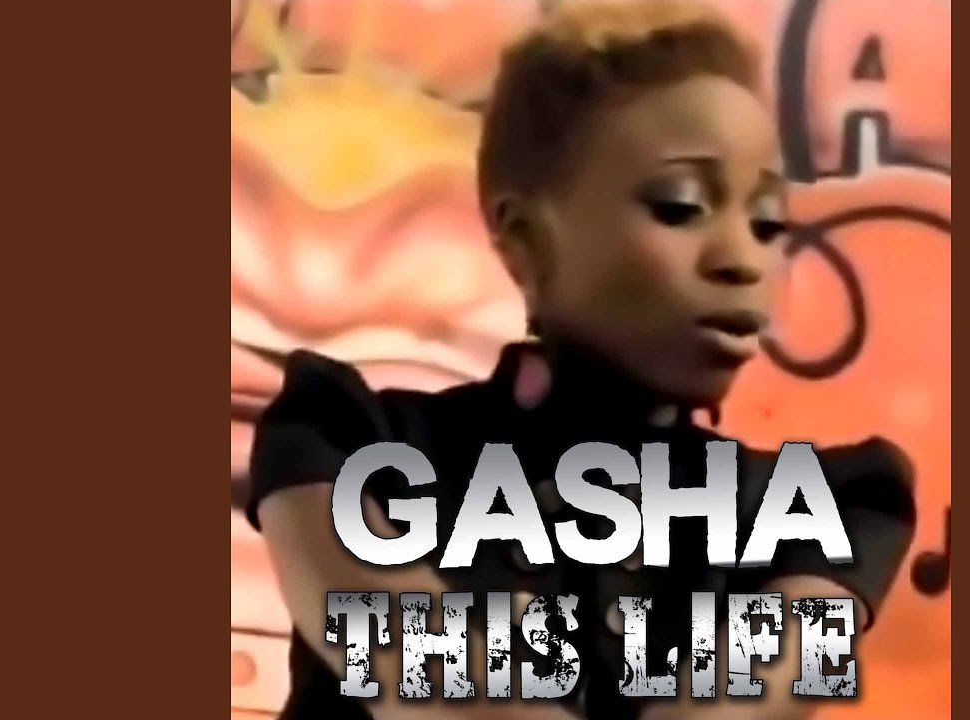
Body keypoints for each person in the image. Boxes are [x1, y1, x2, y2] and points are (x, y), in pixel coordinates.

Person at [245, 2, 916, 719]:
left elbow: (748, 699)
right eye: (680, 204)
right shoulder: (345, 443)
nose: (741, 260)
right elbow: (419, 674)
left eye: (767, 222)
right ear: (526, 238)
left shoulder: (829, 509)